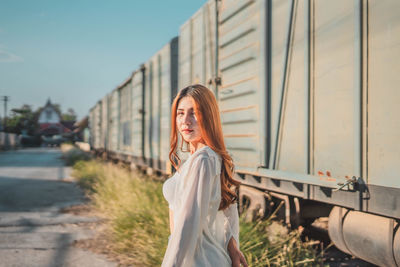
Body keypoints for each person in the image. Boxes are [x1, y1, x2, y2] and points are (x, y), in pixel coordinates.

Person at [162, 84, 248, 267]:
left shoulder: (203, 160)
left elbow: (187, 221)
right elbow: (226, 208)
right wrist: (232, 246)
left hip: (198, 259)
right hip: (200, 257)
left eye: (194, 113)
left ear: (208, 116)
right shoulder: (203, 158)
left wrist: (170, 264)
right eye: (180, 113)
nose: (185, 121)